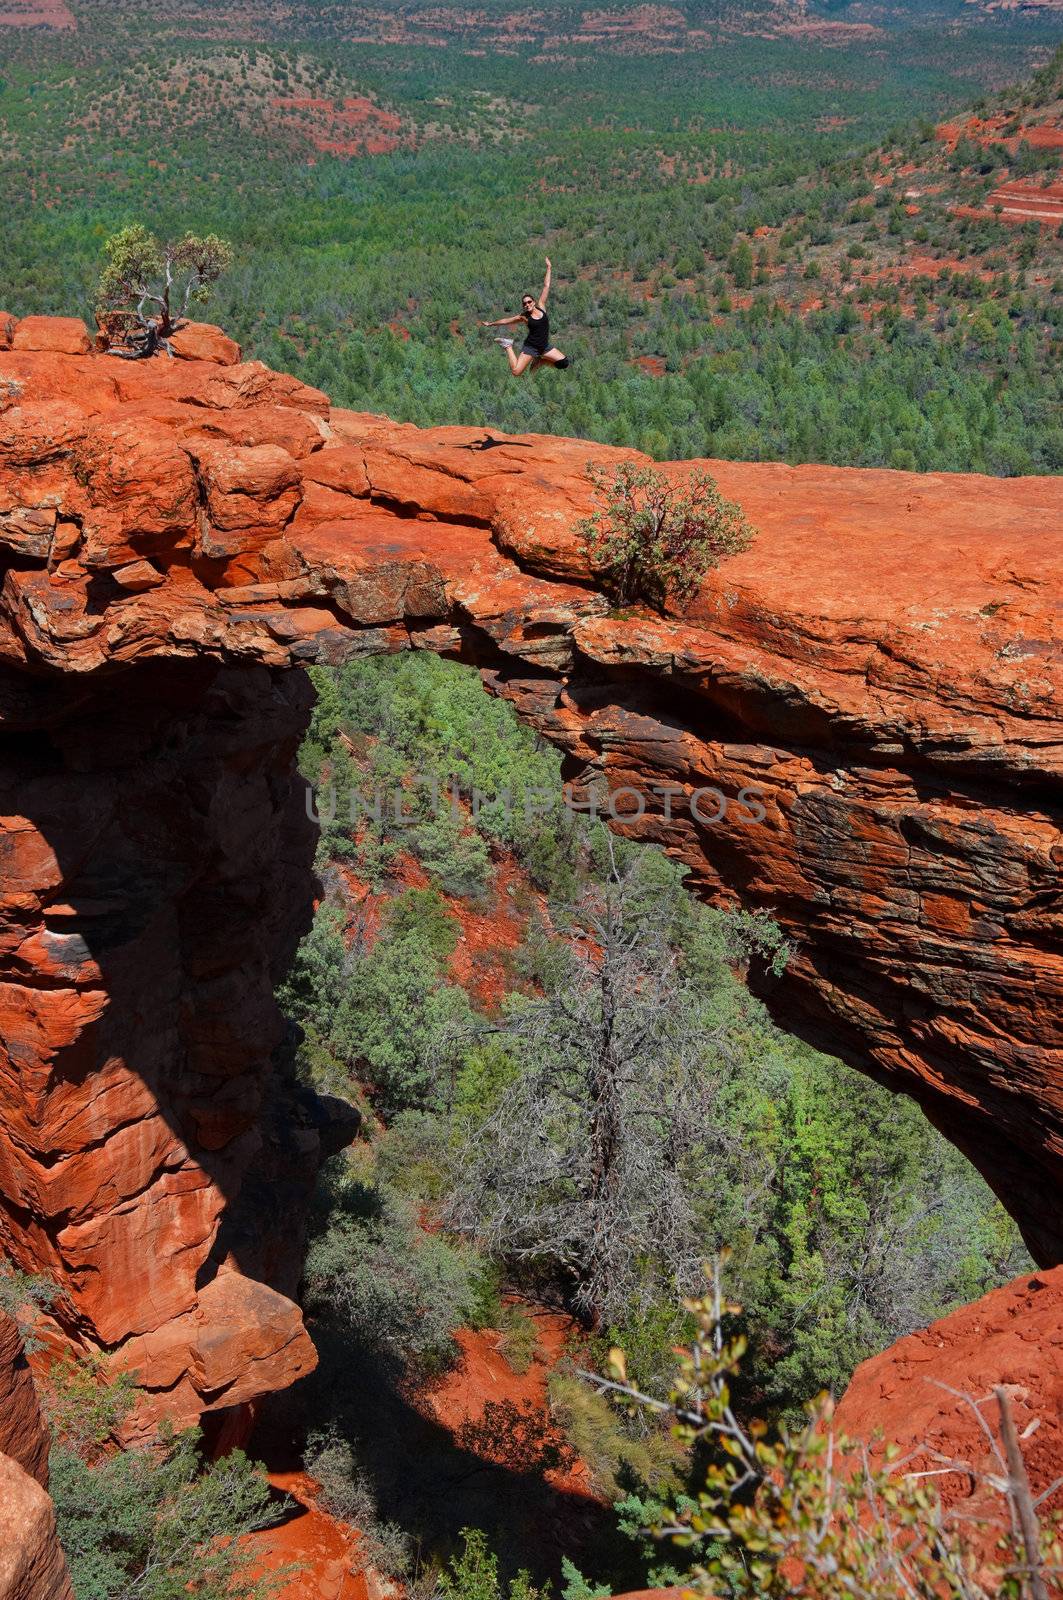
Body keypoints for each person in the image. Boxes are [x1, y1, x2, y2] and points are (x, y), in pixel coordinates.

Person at [481, 257, 570, 375]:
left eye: (529, 302)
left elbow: (546, 286)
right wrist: (491, 324)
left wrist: (549, 268)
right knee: (516, 372)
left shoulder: (541, 307)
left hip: (544, 347)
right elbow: (507, 321)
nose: (527, 304)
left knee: (564, 363)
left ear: (533, 302)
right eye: (524, 304)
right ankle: (508, 345)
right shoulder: (524, 317)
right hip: (531, 347)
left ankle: (541, 362)